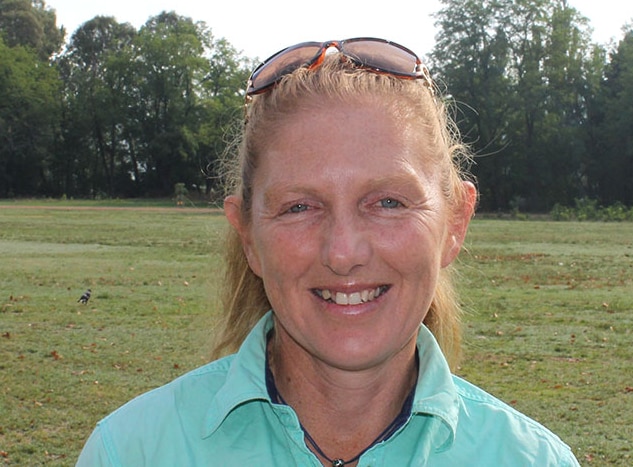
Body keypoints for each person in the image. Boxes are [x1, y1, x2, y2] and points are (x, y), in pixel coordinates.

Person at [77, 37, 580, 466]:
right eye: (299, 206)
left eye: (387, 201)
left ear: (455, 222)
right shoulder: (132, 452)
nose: (343, 253)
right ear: (248, 236)